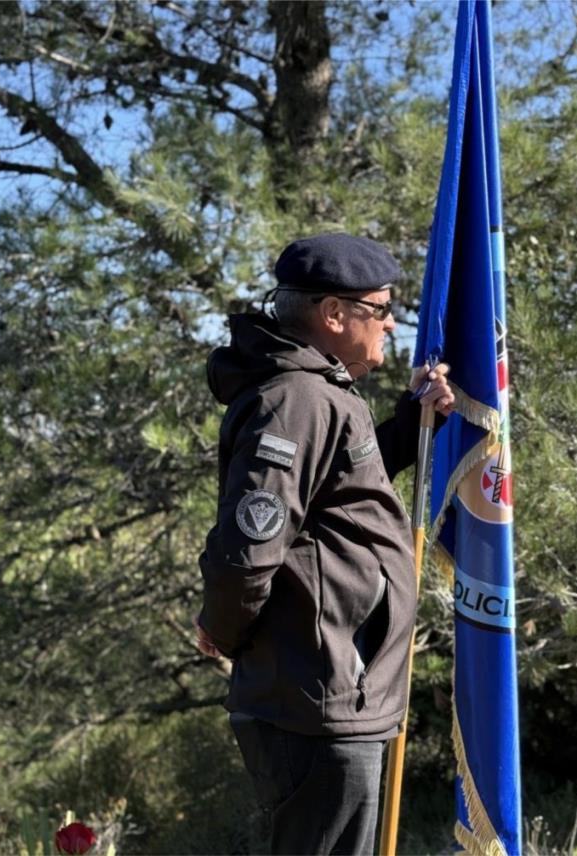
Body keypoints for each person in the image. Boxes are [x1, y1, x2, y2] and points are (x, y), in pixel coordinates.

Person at [195, 233, 454, 855]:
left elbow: (343, 490)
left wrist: (418, 423)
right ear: (334, 315)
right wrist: (224, 631)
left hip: (334, 691)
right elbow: (251, 544)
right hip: (317, 696)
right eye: (380, 308)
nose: (391, 324)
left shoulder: (324, 393)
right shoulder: (297, 400)